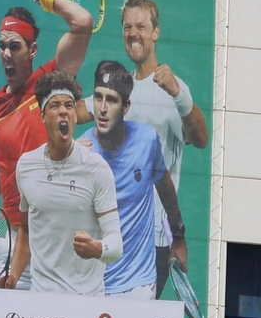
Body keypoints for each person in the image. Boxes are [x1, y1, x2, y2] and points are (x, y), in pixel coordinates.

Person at [0, 0, 94, 287]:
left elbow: (82, 22)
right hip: (12, 242)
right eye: (1, 46)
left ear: (32, 50)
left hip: (53, 246)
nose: (6, 53)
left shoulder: (52, 84)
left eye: (15, 46)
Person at [2, 71, 121, 295]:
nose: (63, 110)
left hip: (87, 302)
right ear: (43, 116)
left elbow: (116, 244)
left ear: (75, 116)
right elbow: (26, 231)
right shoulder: (26, 166)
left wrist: (98, 249)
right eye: (55, 105)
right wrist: (14, 277)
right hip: (42, 301)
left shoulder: (97, 169)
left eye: (69, 105)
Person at [120, 0, 207, 291]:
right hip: (116, 236)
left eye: (141, 27)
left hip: (153, 241)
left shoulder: (174, 87)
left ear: (155, 33)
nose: (133, 34)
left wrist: (178, 94)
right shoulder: (118, 91)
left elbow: (200, 138)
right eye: (128, 27)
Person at [79, 60, 186, 298]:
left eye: (112, 100)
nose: (102, 108)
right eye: (98, 97)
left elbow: (164, 185)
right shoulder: (82, 152)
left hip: (139, 284)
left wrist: (178, 236)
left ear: (126, 106)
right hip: (94, 286)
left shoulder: (147, 140)